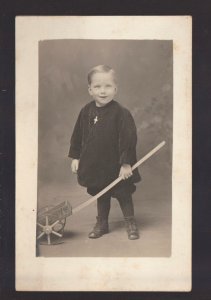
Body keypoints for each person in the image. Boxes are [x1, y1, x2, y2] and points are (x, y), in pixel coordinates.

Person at [68, 65, 141, 240]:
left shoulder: (121, 113)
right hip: (97, 165)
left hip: (117, 166)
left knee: (123, 194)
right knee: (102, 194)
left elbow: (128, 140)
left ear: (115, 89)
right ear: (90, 90)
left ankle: (130, 223)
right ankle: (102, 223)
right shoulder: (85, 111)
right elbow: (77, 135)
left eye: (108, 86)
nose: (103, 91)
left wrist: (125, 163)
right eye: (97, 87)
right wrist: (76, 157)